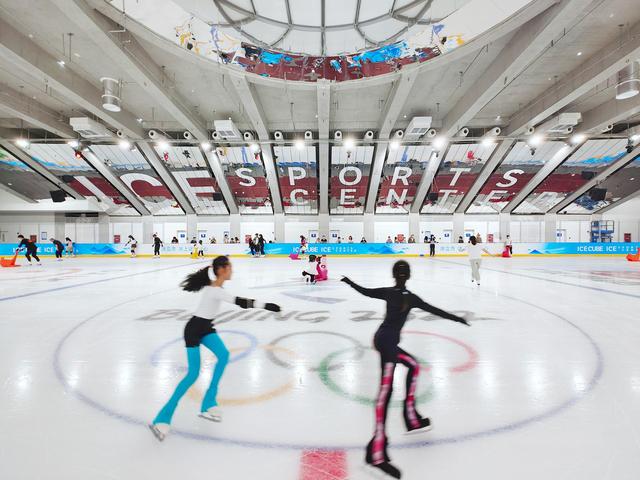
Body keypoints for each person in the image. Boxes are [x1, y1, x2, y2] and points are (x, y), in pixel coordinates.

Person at [341, 261, 470, 478]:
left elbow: (365, 291)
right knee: (385, 392)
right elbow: (435, 310)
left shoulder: (392, 293)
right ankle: (376, 453)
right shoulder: (410, 297)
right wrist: (457, 319)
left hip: (384, 340)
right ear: (408, 276)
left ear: (394, 275)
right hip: (387, 344)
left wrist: (349, 282)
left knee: (413, 365)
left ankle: (410, 418)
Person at [149, 256, 281, 441]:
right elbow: (240, 302)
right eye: (230, 267)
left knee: (223, 355)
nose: (232, 270)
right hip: (194, 330)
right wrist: (266, 305)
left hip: (206, 328)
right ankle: (162, 418)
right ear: (221, 269)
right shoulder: (215, 291)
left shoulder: (216, 289)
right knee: (193, 374)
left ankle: (208, 402)